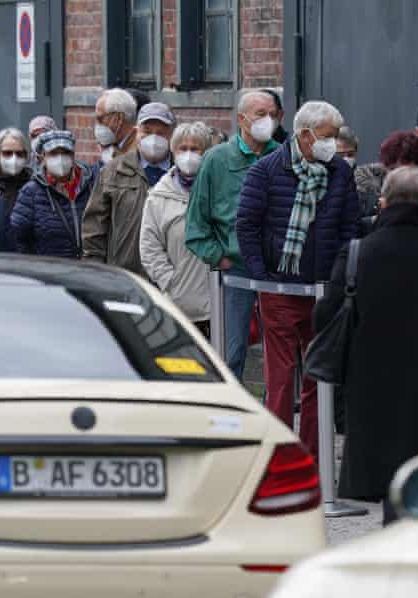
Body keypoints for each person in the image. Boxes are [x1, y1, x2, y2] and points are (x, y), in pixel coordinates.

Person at [313, 166, 418, 525]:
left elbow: (324, 319)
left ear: (383, 203)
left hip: (371, 393)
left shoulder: (357, 254)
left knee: (388, 488)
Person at [236, 100, 360, 460]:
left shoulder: (339, 173)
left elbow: (349, 227)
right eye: (327, 136)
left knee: (317, 378)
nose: (332, 144)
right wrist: (262, 276)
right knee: (280, 377)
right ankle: (276, 455)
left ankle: (313, 455)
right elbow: (247, 225)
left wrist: (338, 278)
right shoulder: (266, 171)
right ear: (305, 136)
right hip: (280, 288)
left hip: (324, 291)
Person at [185, 91, 281, 380]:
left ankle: (274, 415)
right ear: (241, 119)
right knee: (231, 352)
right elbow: (195, 224)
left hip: (277, 272)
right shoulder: (216, 160)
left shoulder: (284, 156)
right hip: (234, 272)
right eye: (260, 114)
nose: (269, 120)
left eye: (273, 114)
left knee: (279, 355)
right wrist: (220, 257)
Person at [83, 101, 175, 275]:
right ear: (137, 132)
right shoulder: (113, 171)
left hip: (171, 277)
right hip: (126, 276)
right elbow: (94, 229)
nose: (153, 139)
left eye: (160, 133)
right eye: (147, 131)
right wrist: (95, 273)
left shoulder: (182, 173)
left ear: (170, 135)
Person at [140, 122, 213, 335]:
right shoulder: (158, 197)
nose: (188, 155)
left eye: (195, 149)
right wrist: (170, 281)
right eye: (183, 148)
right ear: (173, 151)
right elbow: (149, 247)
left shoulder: (218, 190)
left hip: (217, 303)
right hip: (177, 304)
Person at [12, 130, 96, 259]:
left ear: (73, 155)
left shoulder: (91, 185)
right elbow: (17, 237)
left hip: (89, 269)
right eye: (54, 153)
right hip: (51, 272)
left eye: (65, 153)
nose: (60, 159)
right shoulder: (31, 192)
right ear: (42, 157)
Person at [93, 88, 139, 167]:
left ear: (119, 118)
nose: (97, 124)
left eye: (100, 119)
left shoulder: (139, 151)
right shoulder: (116, 147)